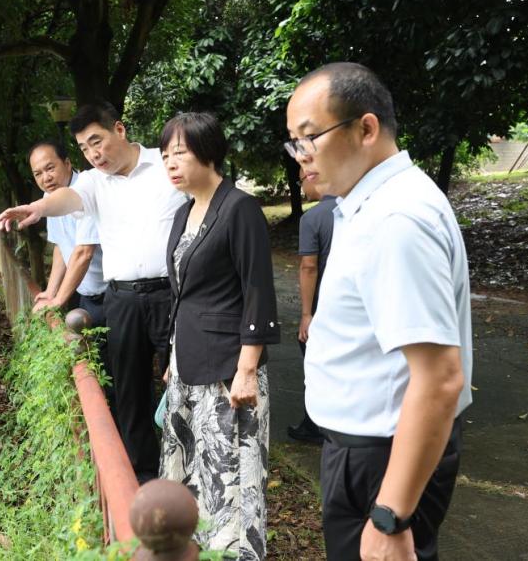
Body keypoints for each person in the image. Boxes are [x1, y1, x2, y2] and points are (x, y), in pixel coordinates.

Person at [285, 62, 473, 561]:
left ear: (366, 128)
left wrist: (391, 515)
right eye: (294, 143)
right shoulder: (368, 205)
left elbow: (440, 379)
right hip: (366, 452)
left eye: (309, 138)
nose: (301, 156)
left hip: (382, 459)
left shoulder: (396, 219)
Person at [0, 102, 186, 482]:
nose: (93, 154)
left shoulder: (164, 165)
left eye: (96, 141)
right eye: (85, 148)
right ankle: (143, 478)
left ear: (120, 129)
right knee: (129, 392)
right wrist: (38, 207)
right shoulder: (92, 182)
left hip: (172, 295)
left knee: (182, 386)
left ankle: (187, 472)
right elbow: (67, 199)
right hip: (122, 300)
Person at [158, 112, 279, 561]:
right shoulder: (183, 212)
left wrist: (247, 370)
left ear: (208, 152)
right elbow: (183, 294)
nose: (170, 164)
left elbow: (257, 292)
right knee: (192, 469)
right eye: (164, 156)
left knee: (230, 473)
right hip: (187, 367)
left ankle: (234, 554)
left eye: (179, 153)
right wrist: (173, 356)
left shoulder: (239, 208)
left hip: (229, 372)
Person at [27, 139, 107, 327]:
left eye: (50, 168)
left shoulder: (86, 189)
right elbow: (61, 246)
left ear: (67, 163)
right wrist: (51, 292)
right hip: (84, 292)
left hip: (110, 292)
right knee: (84, 341)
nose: (46, 178)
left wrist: (58, 300)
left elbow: (84, 253)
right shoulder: (49, 197)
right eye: (38, 174)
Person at [287, 172, 337, 445]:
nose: (300, 186)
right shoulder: (358, 208)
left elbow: (309, 266)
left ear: (312, 177)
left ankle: (317, 425)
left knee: (317, 366)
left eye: (300, 180)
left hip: (323, 306)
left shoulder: (313, 218)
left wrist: (307, 314)